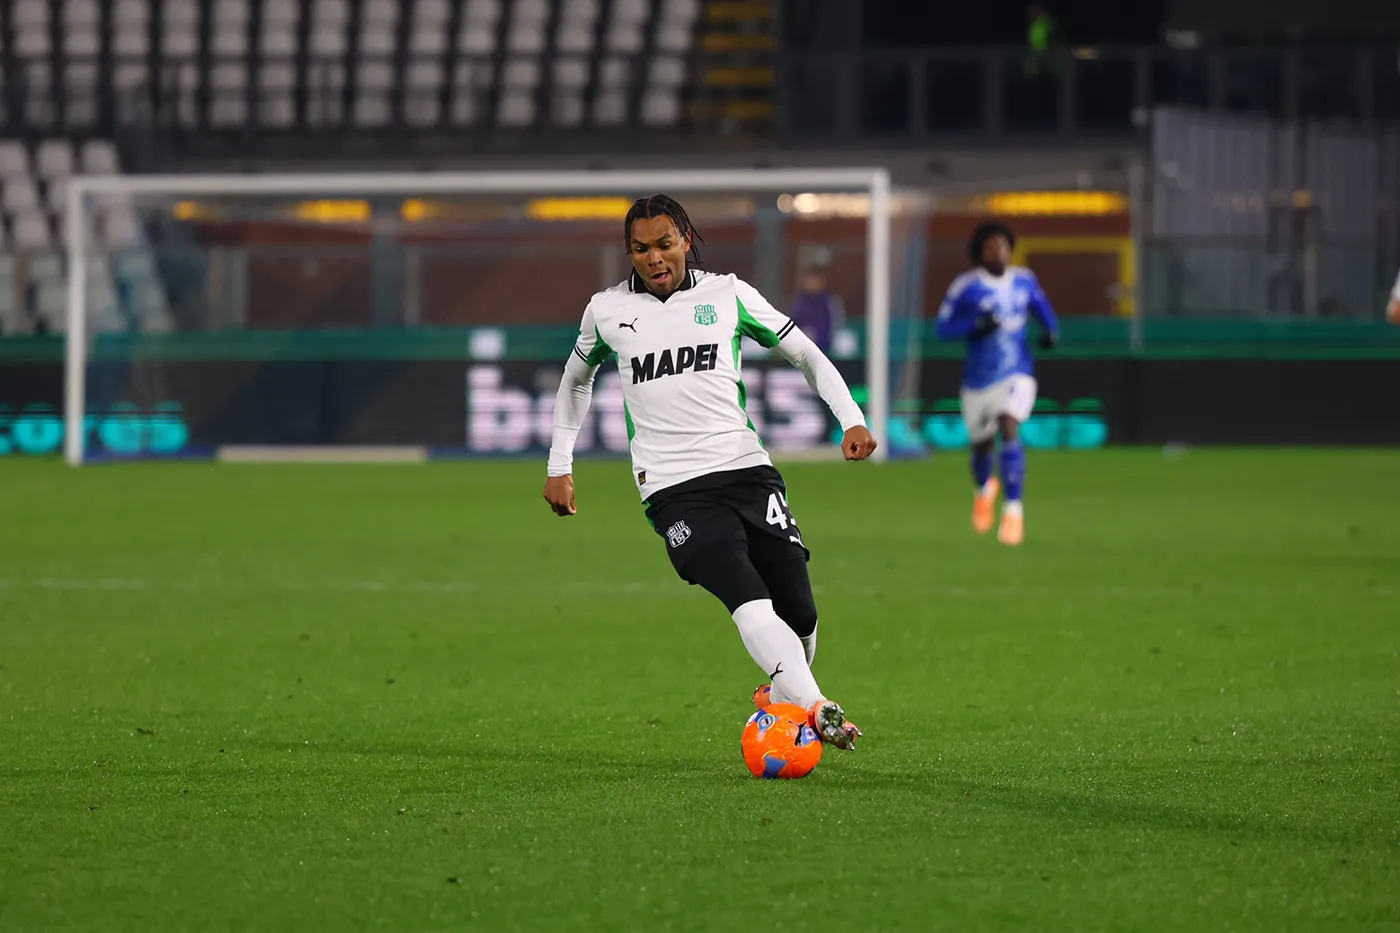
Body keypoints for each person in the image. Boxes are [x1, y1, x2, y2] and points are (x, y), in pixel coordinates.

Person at [542, 194, 876, 750]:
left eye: (665, 244)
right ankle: (818, 709)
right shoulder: (605, 310)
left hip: (747, 470)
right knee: (747, 598)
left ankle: (784, 698)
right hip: (674, 490)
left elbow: (806, 354)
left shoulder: (729, 294)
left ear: (686, 241)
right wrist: (560, 465)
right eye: (641, 249)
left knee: (799, 612)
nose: (654, 259)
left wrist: (852, 419)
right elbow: (576, 380)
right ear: (629, 252)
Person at [935, 221, 1060, 546]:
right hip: (977, 381)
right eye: (991, 247)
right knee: (981, 447)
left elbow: (1045, 312)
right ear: (979, 252)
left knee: (1009, 425)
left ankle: (1014, 511)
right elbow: (943, 329)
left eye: (1003, 245)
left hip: (1017, 373)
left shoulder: (1024, 280)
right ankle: (984, 489)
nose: (999, 252)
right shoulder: (966, 287)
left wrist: (1050, 333)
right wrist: (975, 325)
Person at [787, 266, 844, 353]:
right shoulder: (797, 303)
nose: (813, 283)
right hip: (798, 348)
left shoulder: (830, 302)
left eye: (816, 280)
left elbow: (836, 325)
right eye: (810, 280)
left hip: (824, 348)